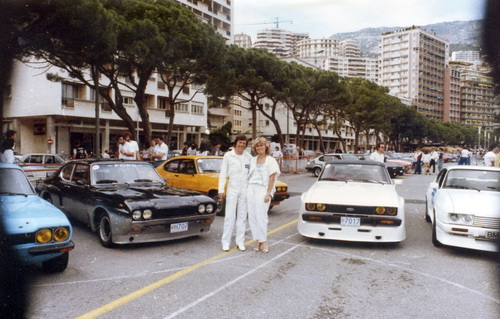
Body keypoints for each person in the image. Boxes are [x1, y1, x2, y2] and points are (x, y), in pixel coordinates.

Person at [218, 135, 252, 252]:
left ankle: (240, 241)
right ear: (236, 143)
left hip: (245, 189)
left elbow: (252, 174)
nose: (242, 145)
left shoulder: (248, 157)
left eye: (244, 143)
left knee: (242, 217)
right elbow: (223, 173)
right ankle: (225, 242)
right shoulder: (228, 155)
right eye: (240, 142)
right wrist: (221, 189)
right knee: (229, 216)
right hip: (232, 188)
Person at [247, 137, 280, 254]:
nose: (259, 148)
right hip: (251, 188)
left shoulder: (270, 160)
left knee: (261, 216)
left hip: (263, 189)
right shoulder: (252, 160)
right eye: (257, 146)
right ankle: (258, 240)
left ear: (266, 146)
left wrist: (268, 193)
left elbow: (272, 177)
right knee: (252, 216)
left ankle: (264, 240)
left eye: (261, 145)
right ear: (255, 148)